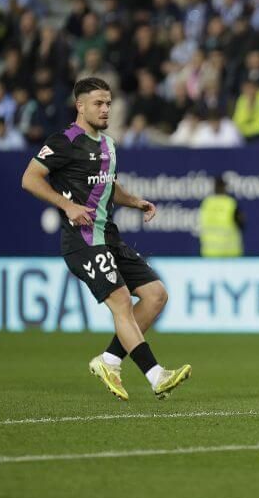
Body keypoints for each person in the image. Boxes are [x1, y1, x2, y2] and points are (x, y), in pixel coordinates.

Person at [20, 77, 192, 401]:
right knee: (123, 302)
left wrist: (135, 200)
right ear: (80, 106)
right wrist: (67, 205)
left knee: (156, 296)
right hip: (82, 240)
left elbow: (109, 187)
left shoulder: (108, 144)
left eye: (109, 103)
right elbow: (29, 178)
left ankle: (109, 360)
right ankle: (157, 376)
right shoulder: (63, 141)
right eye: (98, 103)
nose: (105, 109)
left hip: (108, 235)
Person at [199, 176, 245, 257]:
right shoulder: (230, 203)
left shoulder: (207, 203)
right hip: (230, 254)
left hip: (210, 253)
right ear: (224, 188)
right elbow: (241, 223)